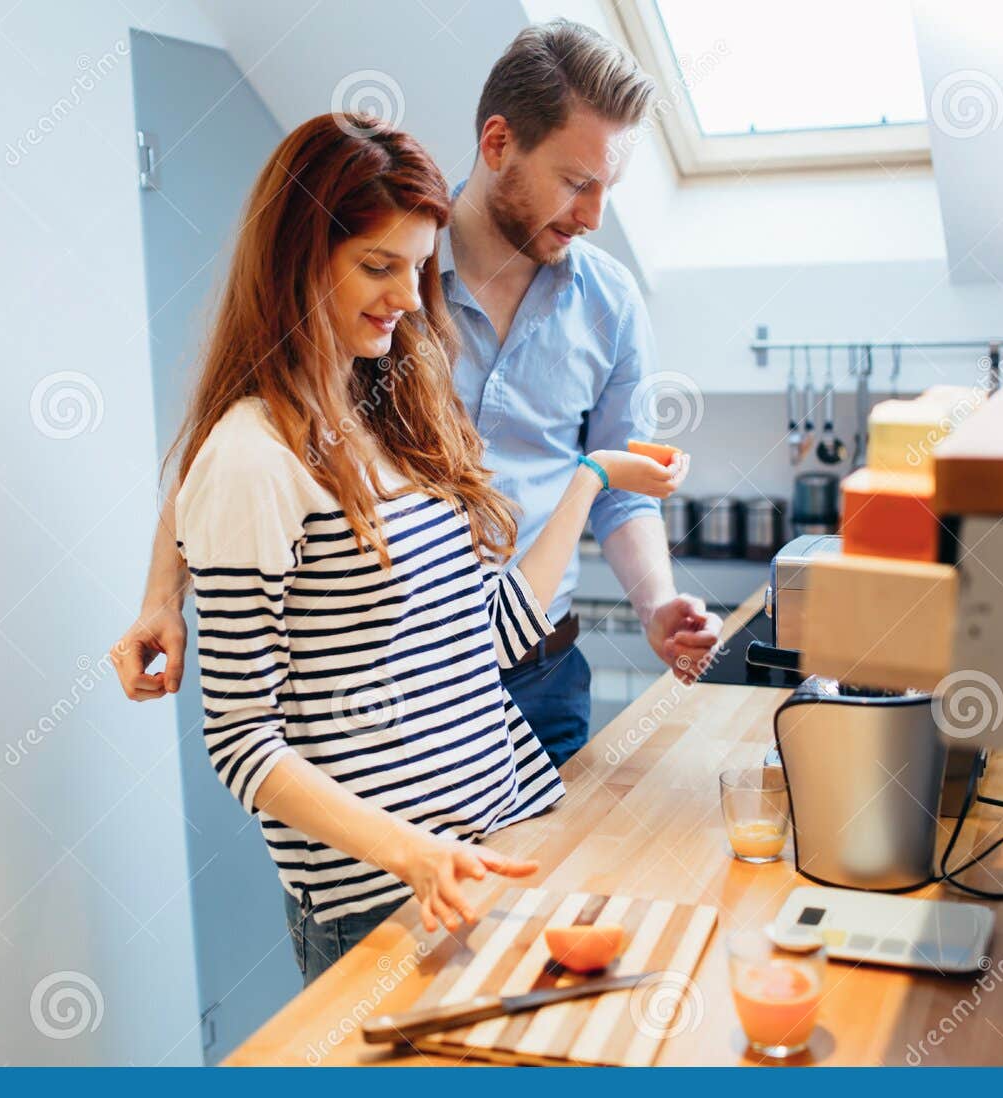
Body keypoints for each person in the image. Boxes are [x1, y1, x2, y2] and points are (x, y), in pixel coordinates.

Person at [161, 112, 687, 984]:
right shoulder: (252, 460)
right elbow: (242, 739)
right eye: (378, 265)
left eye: (415, 265)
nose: (409, 296)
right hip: (381, 893)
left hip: (497, 845)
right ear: (297, 260)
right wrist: (414, 853)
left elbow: (491, 633)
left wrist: (591, 474)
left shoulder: (392, 418)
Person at [115, 20, 722, 767]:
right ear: (498, 144)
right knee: (376, 876)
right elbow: (240, 436)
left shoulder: (611, 303)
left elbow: (622, 490)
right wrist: (160, 594)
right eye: (575, 183)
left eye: (610, 189)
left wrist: (658, 605)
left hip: (543, 673)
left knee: (540, 883)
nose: (595, 216)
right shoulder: (381, 286)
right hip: (390, 681)